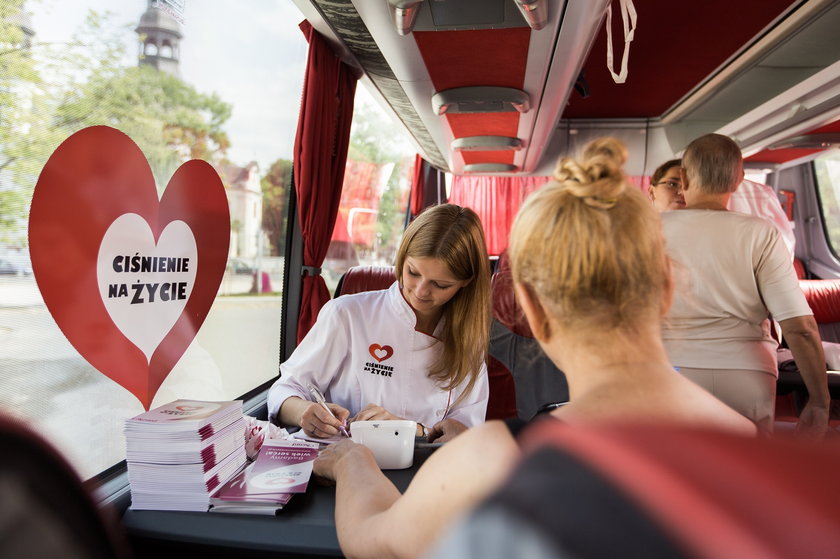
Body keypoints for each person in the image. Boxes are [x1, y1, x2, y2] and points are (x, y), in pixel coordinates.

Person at [313, 143, 755, 559]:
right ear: (666, 288)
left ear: (532, 310)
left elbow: (372, 541)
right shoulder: (748, 444)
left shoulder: (495, 459)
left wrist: (352, 460)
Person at [267, 203, 491, 441]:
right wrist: (304, 412)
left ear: (466, 282)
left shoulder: (469, 340)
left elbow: (464, 435)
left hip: (424, 468)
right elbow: (284, 390)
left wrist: (411, 429)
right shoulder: (347, 314)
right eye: (413, 273)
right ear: (402, 258)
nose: (421, 291)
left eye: (440, 284)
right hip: (342, 460)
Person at [661, 133, 829, 436]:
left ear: (683, 178)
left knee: (675, 476)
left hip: (671, 369)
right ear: (738, 180)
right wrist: (819, 401)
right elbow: (800, 326)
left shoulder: (646, 231)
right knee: (744, 476)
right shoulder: (760, 233)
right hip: (747, 374)